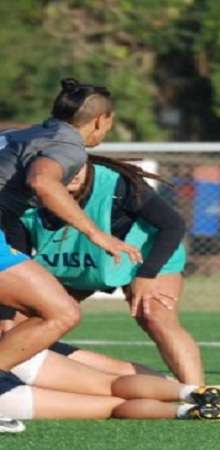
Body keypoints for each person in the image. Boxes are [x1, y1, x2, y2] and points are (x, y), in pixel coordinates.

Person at [14, 154, 205, 384]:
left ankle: (198, 392)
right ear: (40, 171)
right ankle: (150, 382)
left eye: (76, 164)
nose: (72, 172)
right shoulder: (19, 198)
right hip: (77, 263)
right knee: (20, 327)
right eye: (62, 167)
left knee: (154, 317)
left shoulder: (117, 184)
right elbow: (18, 262)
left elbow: (173, 225)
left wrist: (146, 275)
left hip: (144, 259)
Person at [0, 78, 142, 378]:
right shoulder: (67, 145)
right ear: (101, 120)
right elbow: (42, 181)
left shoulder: (20, 135)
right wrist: (97, 234)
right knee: (61, 312)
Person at [0, 342, 220, 421]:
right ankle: (192, 392)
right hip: (11, 347)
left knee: (111, 407)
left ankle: (190, 411)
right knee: (110, 383)